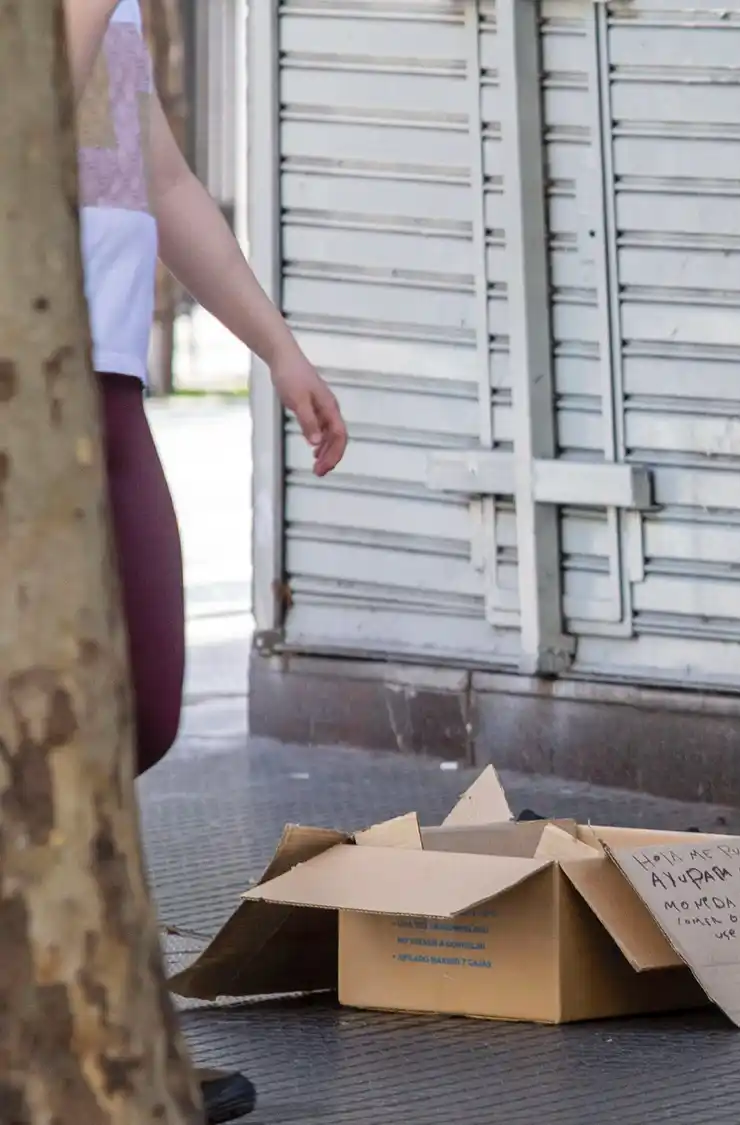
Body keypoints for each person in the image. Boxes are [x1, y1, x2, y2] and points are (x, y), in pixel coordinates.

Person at [65, 2, 349, 1121]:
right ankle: (94, 1042)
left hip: (106, 374)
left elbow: (162, 177)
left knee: (143, 703)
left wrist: (277, 348)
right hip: (28, 379)